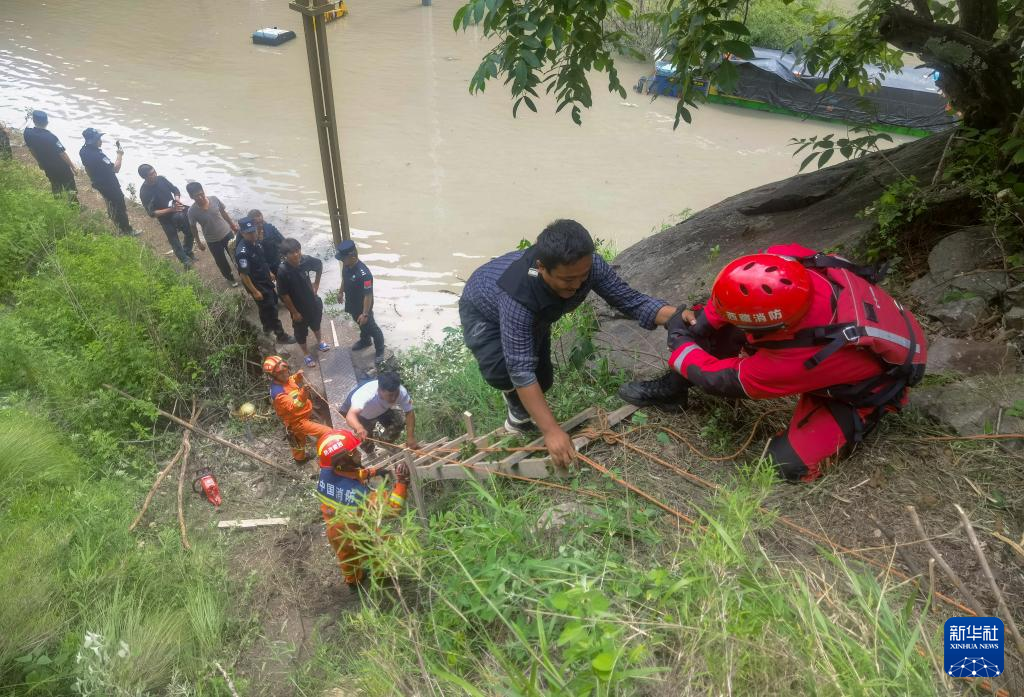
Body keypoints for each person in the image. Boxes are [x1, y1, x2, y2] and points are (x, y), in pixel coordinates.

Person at [618, 244, 928, 482]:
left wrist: (679, 342)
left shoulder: (801, 358)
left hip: (864, 387)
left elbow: (722, 379)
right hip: (868, 328)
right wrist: (704, 324)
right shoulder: (786, 264)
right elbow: (738, 291)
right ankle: (673, 393)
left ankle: (858, 419)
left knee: (785, 466)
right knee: (707, 326)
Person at [459, 219, 677, 466]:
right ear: (541, 268)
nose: (577, 285)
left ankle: (520, 413)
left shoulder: (589, 267)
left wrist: (678, 316)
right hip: (483, 311)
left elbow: (631, 301)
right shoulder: (518, 298)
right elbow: (520, 369)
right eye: (568, 280)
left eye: (583, 276)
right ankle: (515, 407)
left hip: (536, 316)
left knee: (543, 380)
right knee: (504, 372)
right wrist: (552, 431)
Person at [315, 429, 409, 591]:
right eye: (354, 452)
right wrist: (402, 483)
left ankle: (353, 581)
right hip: (358, 533)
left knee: (347, 556)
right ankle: (383, 576)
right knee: (378, 548)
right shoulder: (360, 496)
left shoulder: (327, 472)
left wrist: (371, 472)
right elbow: (393, 508)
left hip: (335, 531)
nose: (359, 453)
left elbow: (348, 474)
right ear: (344, 460)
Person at [263, 355, 334, 463]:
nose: (286, 374)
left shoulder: (285, 380)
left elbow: (291, 380)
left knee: (299, 442)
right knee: (327, 432)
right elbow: (294, 406)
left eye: (286, 371)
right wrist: (303, 392)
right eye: (281, 373)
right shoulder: (278, 393)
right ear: (274, 376)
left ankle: (299, 459)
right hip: (298, 421)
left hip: (300, 416)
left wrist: (298, 376)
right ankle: (329, 455)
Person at [236, 219, 293, 344]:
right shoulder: (242, 252)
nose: (252, 234)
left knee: (265, 306)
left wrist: (269, 272)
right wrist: (255, 291)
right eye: (249, 233)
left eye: (253, 231)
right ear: (242, 233)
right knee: (272, 309)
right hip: (257, 284)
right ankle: (281, 336)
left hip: (265, 279)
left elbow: (262, 260)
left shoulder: (256, 243)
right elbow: (243, 275)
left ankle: (267, 327)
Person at [277, 238, 330, 367]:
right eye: (292, 253)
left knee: (316, 323)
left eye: (298, 250)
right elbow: (284, 295)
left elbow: (319, 265)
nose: (296, 254)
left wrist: (316, 284)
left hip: (311, 301)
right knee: (300, 332)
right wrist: (294, 312)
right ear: (285, 255)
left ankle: (320, 341)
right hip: (298, 307)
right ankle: (306, 354)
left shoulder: (305, 260)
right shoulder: (283, 271)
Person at [338, 372, 419, 454]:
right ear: (380, 390)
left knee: (400, 421)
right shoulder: (365, 395)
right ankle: (370, 451)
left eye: (396, 394)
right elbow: (350, 415)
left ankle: (384, 441)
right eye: (390, 395)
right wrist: (359, 428)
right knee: (365, 439)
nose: (394, 398)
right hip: (361, 415)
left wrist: (410, 437)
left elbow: (409, 412)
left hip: (382, 409)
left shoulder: (401, 392)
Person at [335, 240, 386, 363]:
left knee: (372, 328)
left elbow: (368, 295)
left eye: (343, 258)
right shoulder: (346, 265)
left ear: (352, 256)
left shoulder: (364, 274)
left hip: (363, 307)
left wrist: (365, 314)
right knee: (359, 323)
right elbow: (344, 279)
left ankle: (380, 350)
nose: (341, 260)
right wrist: (341, 292)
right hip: (352, 303)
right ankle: (365, 340)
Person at [79, 128, 136, 236]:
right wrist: (119, 154)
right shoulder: (98, 155)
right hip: (109, 184)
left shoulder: (83, 151)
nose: (100, 141)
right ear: (93, 141)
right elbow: (116, 169)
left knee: (109, 202)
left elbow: (87, 168)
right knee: (119, 205)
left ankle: (114, 219)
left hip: (98, 182)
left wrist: (93, 179)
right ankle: (126, 231)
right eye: (98, 139)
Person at [138, 164, 194, 268]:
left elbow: (175, 190)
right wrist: (170, 209)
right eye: (151, 174)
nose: (155, 175)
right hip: (165, 219)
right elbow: (152, 213)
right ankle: (185, 262)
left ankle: (187, 251)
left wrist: (177, 199)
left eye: (154, 172)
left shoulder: (161, 179)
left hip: (177, 211)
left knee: (190, 232)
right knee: (174, 241)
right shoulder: (144, 192)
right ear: (144, 177)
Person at [185, 182, 239, 286]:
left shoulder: (214, 199)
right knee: (221, 261)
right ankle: (230, 278)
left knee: (235, 255)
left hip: (226, 233)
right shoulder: (191, 211)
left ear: (203, 191)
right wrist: (198, 242)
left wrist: (232, 225)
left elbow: (223, 212)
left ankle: (243, 273)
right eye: (196, 196)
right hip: (212, 240)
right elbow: (193, 227)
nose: (200, 197)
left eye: (201, 194)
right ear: (191, 197)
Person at [22, 110, 78, 200]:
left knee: (55, 183)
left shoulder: (27, 133)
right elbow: (62, 153)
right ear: (47, 122)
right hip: (61, 167)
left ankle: (58, 202)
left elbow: (31, 149)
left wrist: (39, 162)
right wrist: (73, 166)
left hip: (47, 166)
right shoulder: (51, 137)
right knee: (70, 186)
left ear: (34, 121)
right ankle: (73, 204)